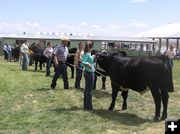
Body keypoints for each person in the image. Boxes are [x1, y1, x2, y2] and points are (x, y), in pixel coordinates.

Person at [82, 41, 95, 110]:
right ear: (90, 47)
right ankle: (89, 107)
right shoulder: (87, 54)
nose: (92, 48)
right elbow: (83, 62)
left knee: (87, 89)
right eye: (91, 46)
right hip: (89, 73)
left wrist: (92, 57)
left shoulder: (89, 53)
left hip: (89, 72)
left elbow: (88, 60)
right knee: (89, 90)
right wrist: (88, 64)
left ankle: (86, 106)